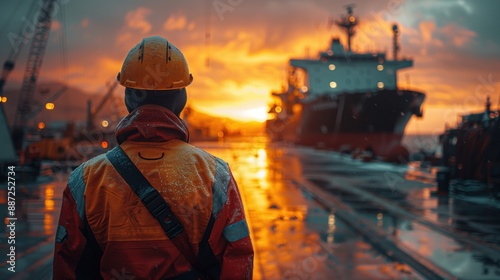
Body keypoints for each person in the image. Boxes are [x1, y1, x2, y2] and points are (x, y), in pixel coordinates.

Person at [53, 36, 254, 279]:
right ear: (182, 98)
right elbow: (237, 259)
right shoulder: (215, 175)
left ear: (128, 98)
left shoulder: (84, 180)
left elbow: (68, 266)